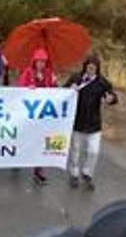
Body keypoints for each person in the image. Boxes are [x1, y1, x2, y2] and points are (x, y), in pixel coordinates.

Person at [65, 54, 118, 189]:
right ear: (85, 67)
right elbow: (63, 91)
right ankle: (74, 175)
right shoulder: (76, 78)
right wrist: (70, 89)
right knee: (75, 150)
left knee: (93, 151)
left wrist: (110, 99)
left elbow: (113, 97)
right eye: (89, 67)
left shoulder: (102, 82)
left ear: (97, 69)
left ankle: (87, 174)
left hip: (94, 124)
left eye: (93, 68)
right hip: (77, 121)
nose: (91, 70)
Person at [20, 45, 59, 182]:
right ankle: (18, 158)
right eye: (39, 61)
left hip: (44, 114)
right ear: (34, 61)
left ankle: (39, 169)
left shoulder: (49, 73)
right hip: (30, 114)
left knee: (41, 140)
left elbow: (55, 91)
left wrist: (55, 83)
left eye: (44, 61)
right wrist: (28, 88)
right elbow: (20, 90)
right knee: (26, 137)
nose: (41, 64)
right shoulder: (28, 72)